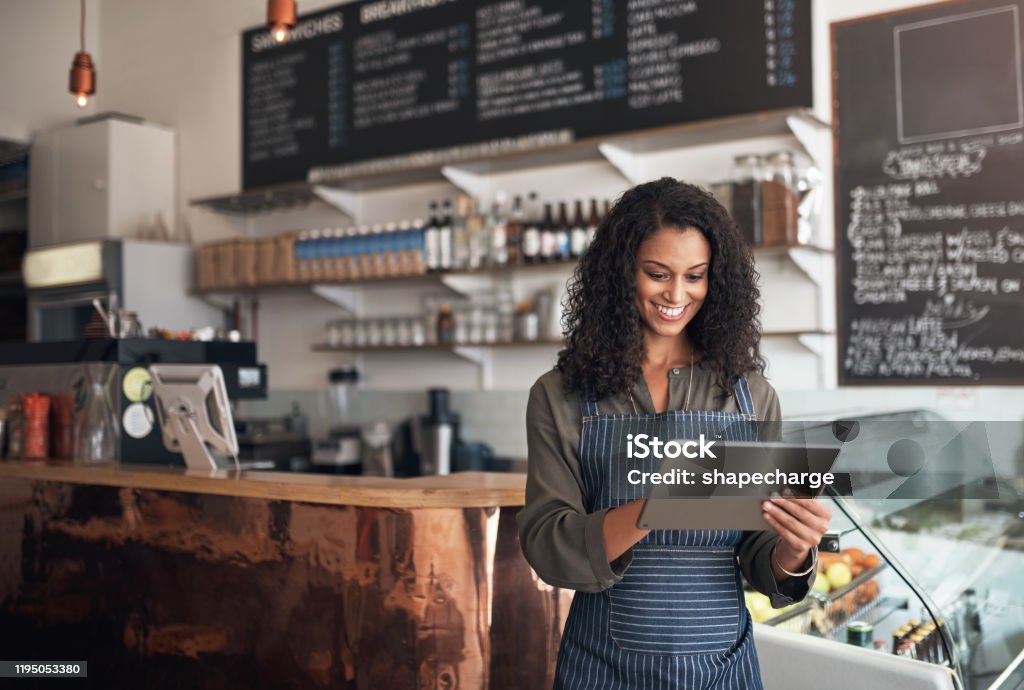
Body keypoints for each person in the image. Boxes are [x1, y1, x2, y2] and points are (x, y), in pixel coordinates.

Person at [518, 178, 831, 689]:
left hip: (722, 671)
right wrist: (658, 505)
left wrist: (794, 549)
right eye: (657, 274)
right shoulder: (560, 395)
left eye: (696, 276)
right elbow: (547, 543)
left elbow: (761, 551)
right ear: (622, 275)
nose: (677, 294)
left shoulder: (749, 395)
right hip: (600, 670)